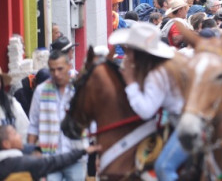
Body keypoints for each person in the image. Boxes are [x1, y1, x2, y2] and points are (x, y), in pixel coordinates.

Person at [110, 22, 190, 181]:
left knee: (164, 167)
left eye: (130, 51)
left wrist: (130, 81)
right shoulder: (162, 68)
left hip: (185, 125)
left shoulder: (157, 74)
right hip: (177, 121)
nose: (127, 55)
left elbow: (145, 111)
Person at [26, 51, 87, 181]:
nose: (56, 74)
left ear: (69, 67)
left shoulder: (79, 90)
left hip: (75, 155)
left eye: (60, 69)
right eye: (52, 70)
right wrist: (31, 155)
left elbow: (90, 122)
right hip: (50, 158)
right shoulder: (41, 91)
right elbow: (33, 125)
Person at [0, 124, 98, 180]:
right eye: (15, 134)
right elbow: (53, 161)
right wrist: (82, 151)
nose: (20, 136)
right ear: (6, 144)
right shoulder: (19, 163)